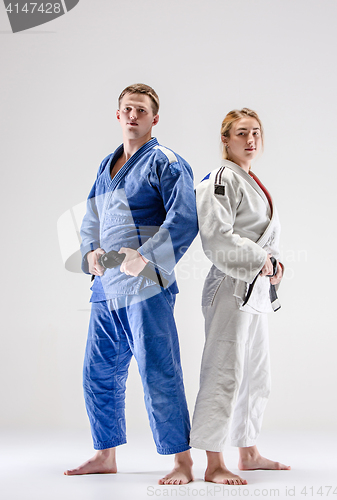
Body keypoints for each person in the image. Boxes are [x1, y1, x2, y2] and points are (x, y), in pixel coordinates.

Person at [64, 84, 197, 485]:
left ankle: (182, 461)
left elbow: (185, 218)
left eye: (141, 110)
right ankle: (105, 454)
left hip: (146, 286)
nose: (133, 115)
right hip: (107, 288)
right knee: (98, 371)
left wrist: (146, 256)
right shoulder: (107, 164)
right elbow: (91, 216)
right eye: (127, 109)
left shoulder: (167, 162)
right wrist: (90, 252)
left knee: (158, 370)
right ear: (117, 115)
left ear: (155, 118)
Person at [189, 108, 290, 485]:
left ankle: (248, 450)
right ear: (225, 140)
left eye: (256, 133)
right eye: (242, 133)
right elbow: (216, 238)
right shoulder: (221, 178)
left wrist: (275, 263)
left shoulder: (251, 179)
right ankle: (214, 460)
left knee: (257, 372)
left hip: (256, 286)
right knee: (224, 370)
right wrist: (259, 259)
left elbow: (264, 238)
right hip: (230, 285)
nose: (250, 140)